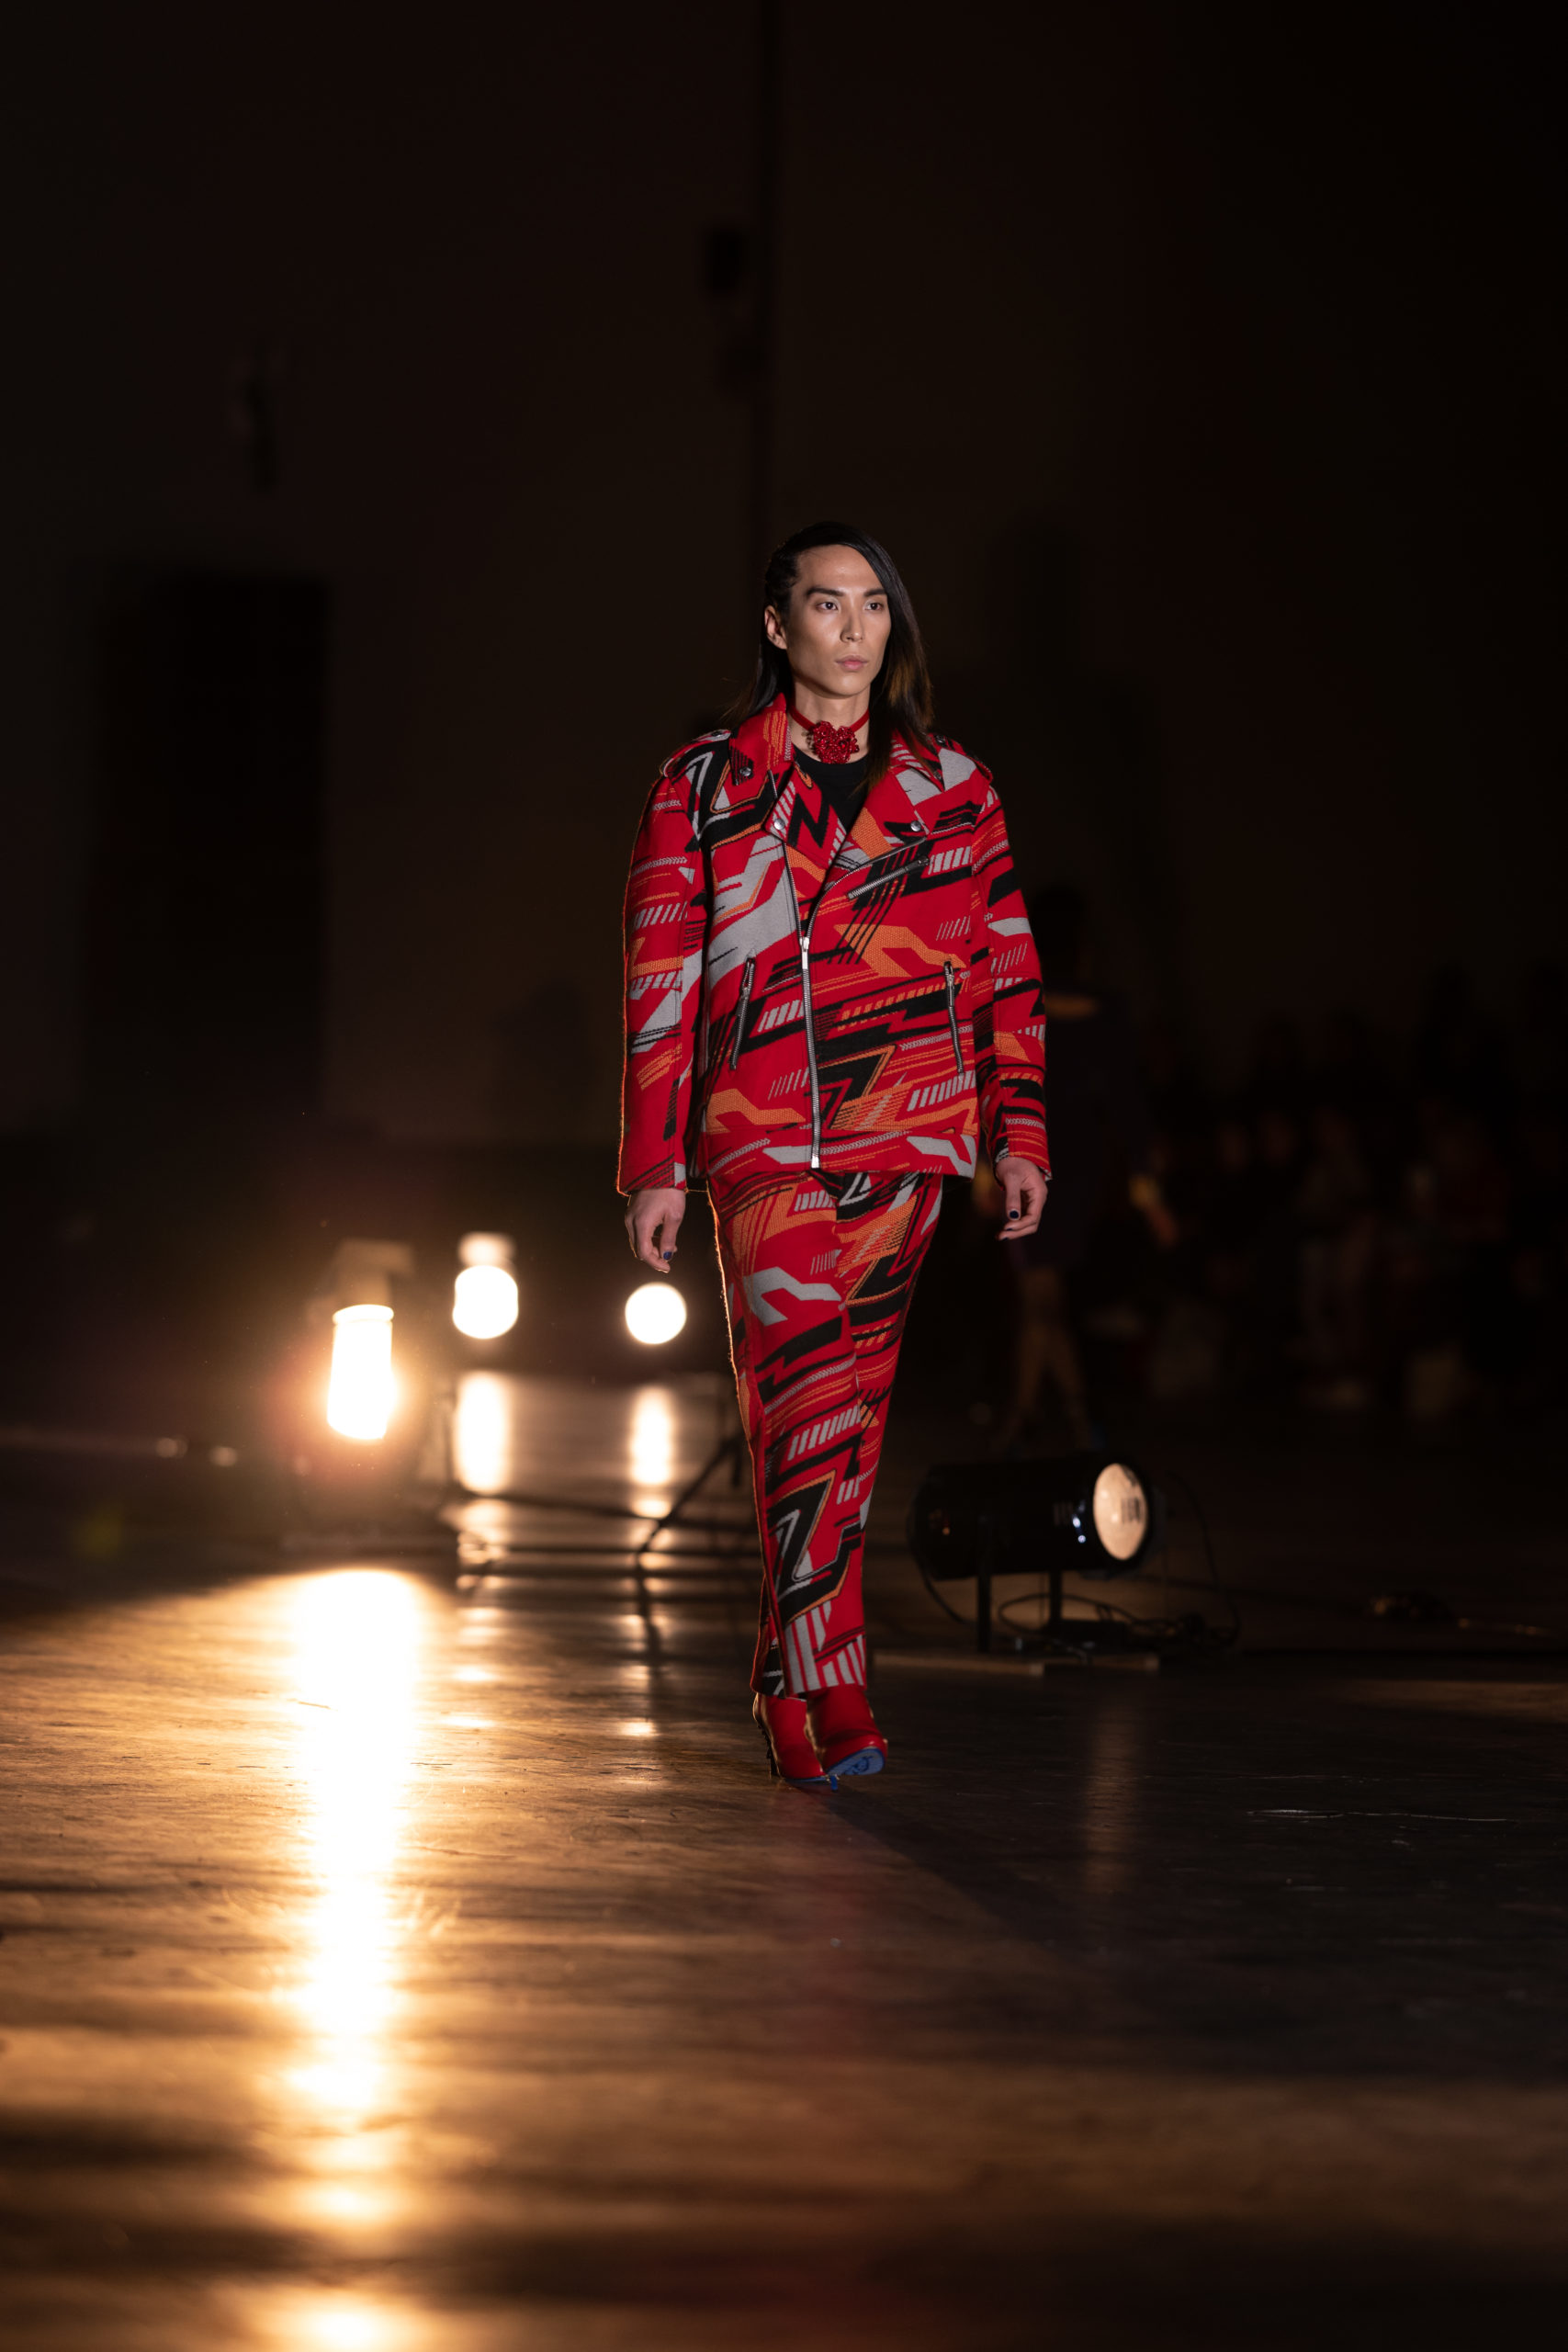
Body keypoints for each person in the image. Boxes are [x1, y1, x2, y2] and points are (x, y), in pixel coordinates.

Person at [619, 522, 1048, 1791]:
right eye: (825, 603)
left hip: (906, 1135)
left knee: (839, 1421)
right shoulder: (704, 783)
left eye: (872, 604)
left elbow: (1004, 969)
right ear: (777, 624)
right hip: (760, 1135)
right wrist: (655, 1161)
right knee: (806, 1399)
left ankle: (782, 1670)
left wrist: (1017, 1132)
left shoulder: (954, 787)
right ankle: (836, 1679)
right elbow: (659, 977)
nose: (853, 628)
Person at [988, 885, 1173, 1453]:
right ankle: (1061, 1418)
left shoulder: (1015, 999)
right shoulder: (1106, 1010)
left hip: (1027, 1161)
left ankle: (1040, 1420)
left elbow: (996, 1088)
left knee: (1040, 1299)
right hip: (1077, 1168)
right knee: (1045, 1299)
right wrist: (1147, 1190)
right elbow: (1127, 1106)